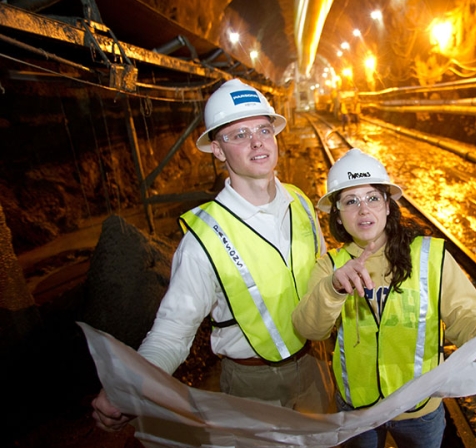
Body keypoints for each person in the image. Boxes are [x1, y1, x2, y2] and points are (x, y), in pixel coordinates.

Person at [91, 78, 332, 431]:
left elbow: (320, 273)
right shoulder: (204, 238)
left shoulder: (301, 202)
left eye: (263, 129)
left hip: (313, 367)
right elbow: (173, 329)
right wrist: (133, 384)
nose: (257, 142)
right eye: (238, 135)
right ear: (217, 149)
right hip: (252, 386)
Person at [292, 149, 476, 448]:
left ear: (387, 206)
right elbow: (309, 329)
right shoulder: (330, 267)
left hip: (419, 408)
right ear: (339, 217)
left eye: (372, 197)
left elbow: (463, 316)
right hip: (359, 410)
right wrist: (334, 289)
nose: (363, 210)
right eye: (350, 201)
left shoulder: (430, 257)